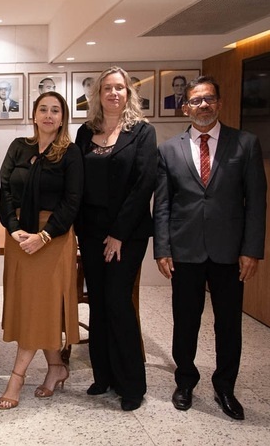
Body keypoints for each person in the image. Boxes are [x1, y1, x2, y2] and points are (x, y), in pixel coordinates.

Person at [154, 76, 266, 421]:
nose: (203, 105)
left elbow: (256, 201)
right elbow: (163, 204)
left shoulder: (245, 144)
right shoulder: (168, 149)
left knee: (228, 324)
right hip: (184, 250)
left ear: (219, 102)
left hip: (229, 252)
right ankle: (185, 381)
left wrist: (252, 249)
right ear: (185, 107)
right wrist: (162, 248)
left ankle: (225, 387)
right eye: (196, 100)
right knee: (185, 321)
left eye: (209, 99)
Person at [74, 66, 157, 411]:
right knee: (98, 302)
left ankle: (131, 385)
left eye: (119, 88)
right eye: (107, 88)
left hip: (128, 233)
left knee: (117, 301)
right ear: (98, 94)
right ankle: (103, 376)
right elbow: (76, 181)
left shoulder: (142, 132)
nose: (113, 93)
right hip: (91, 233)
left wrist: (118, 234)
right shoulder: (85, 131)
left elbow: (144, 184)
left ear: (128, 93)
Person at [0, 91, 83, 410]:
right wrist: (13, 227)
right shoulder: (19, 147)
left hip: (53, 238)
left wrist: (44, 236)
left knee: (40, 307)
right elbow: (2, 189)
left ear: (62, 118)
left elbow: (72, 201)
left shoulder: (70, 153)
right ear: (34, 115)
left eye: (55, 110)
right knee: (32, 306)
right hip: (20, 236)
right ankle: (56, 366)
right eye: (43, 109)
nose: (48, 115)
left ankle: (16, 378)